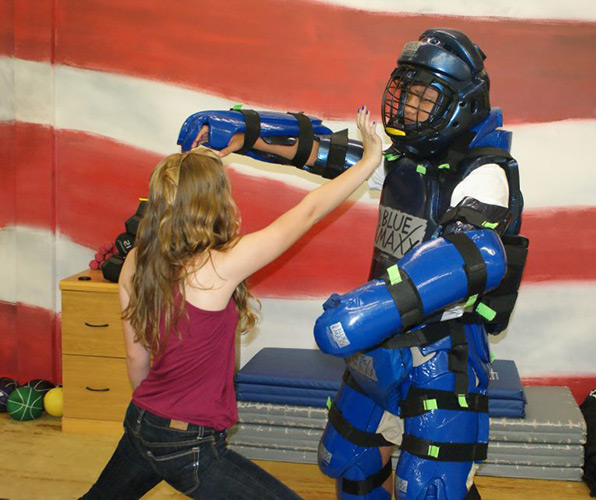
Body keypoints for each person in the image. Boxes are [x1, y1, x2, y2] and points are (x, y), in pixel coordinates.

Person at [177, 28, 528, 500]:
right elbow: (327, 152)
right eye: (408, 95)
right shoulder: (406, 157)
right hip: (382, 344)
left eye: (425, 99)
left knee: (430, 489)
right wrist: (246, 132)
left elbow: (477, 252)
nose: (410, 108)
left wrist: (371, 307)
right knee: (350, 461)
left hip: (442, 352)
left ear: (459, 105)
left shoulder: (485, 171)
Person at [78, 108, 383, 500]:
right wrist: (370, 160)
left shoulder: (136, 260)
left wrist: (158, 411)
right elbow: (307, 212)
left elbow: (137, 359)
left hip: (143, 422)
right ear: (214, 203)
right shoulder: (217, 268)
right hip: (188, 445)